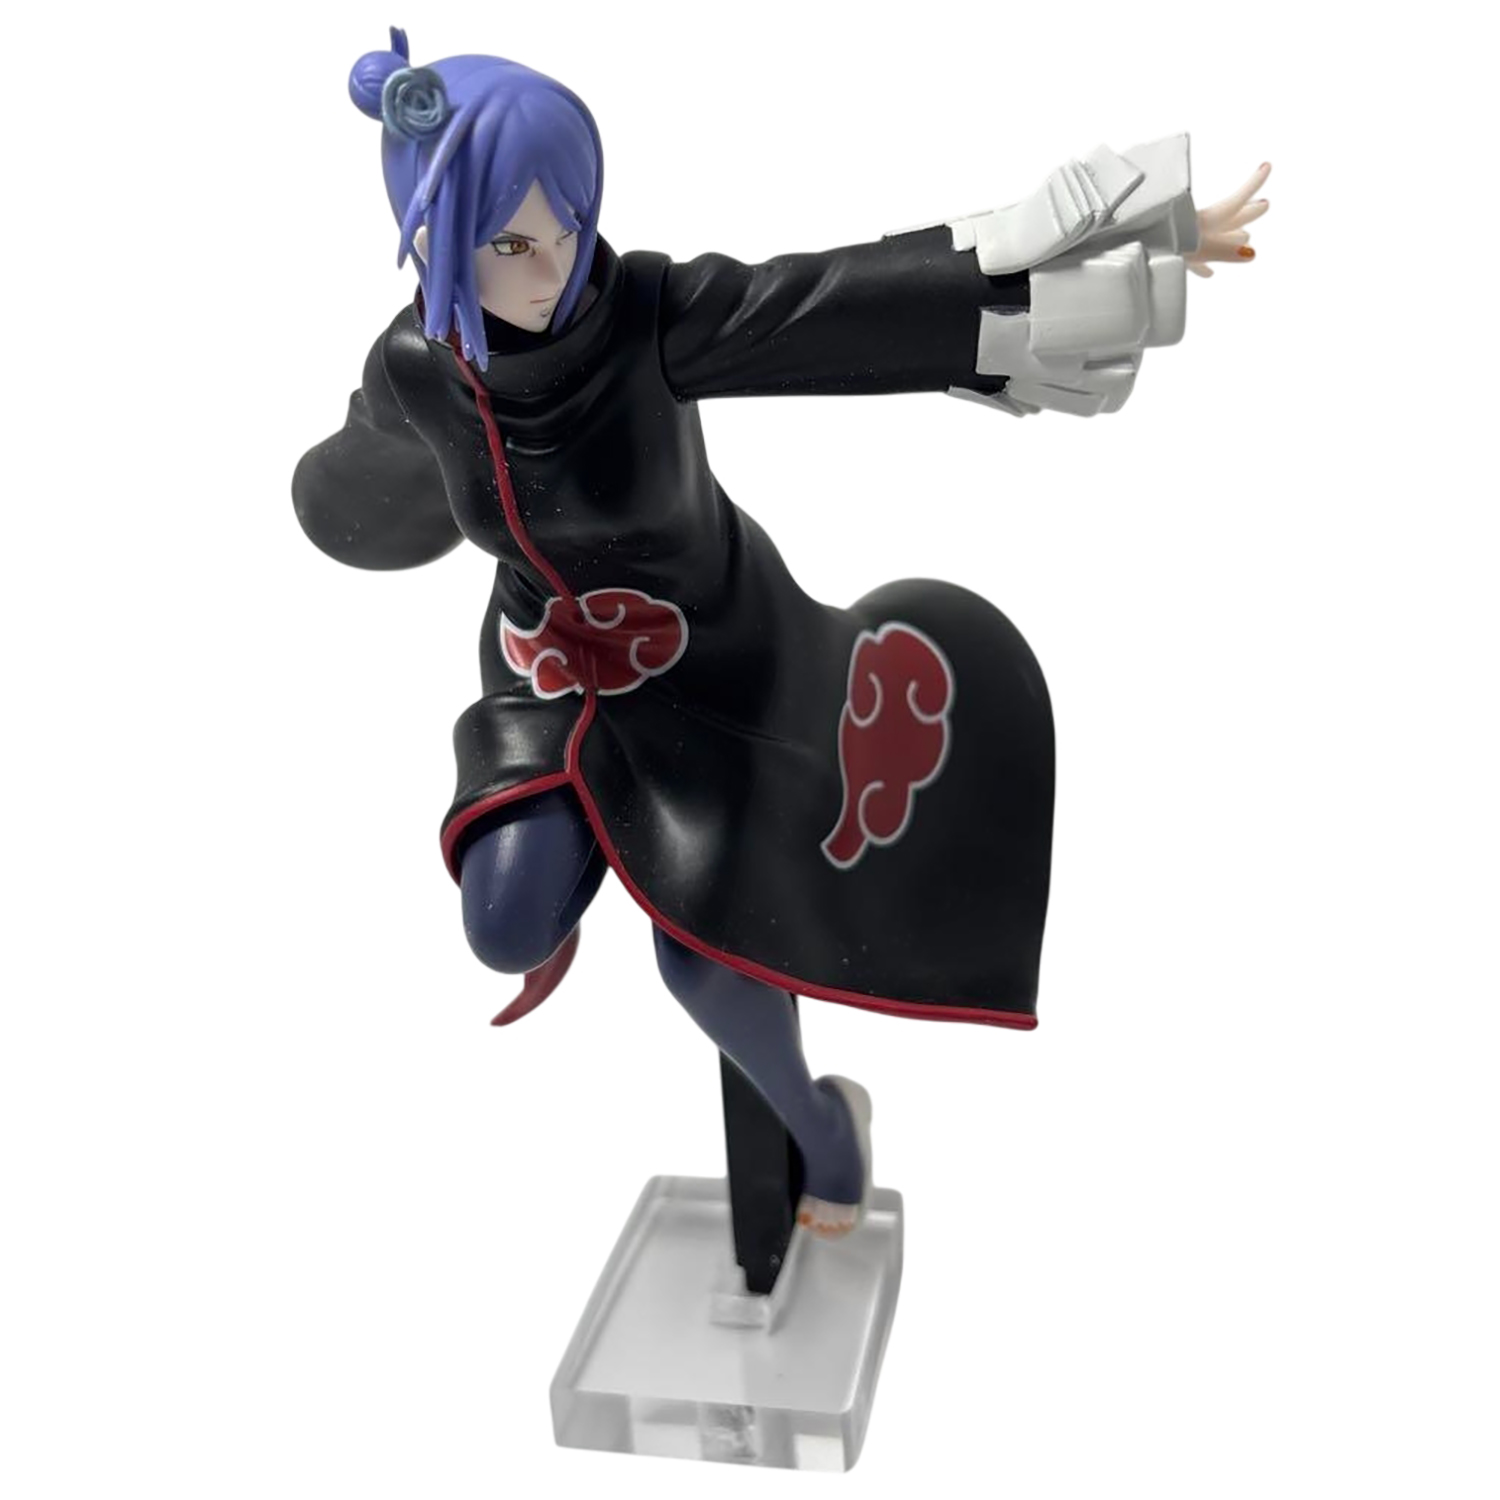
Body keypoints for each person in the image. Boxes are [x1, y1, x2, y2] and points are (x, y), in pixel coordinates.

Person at [293, 29, 1268, 1237]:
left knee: (707, 954)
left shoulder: (646, 316)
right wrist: (327, 508)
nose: (551, 267)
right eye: (508, 244)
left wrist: (1101, 264)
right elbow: (359, 489)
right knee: (504, 925)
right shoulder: (415, 367)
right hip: (542, 671)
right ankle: (613, 847)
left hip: (712, 661)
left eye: (567, 225)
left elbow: (828, 305)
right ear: (434, 240)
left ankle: (821, 1129)